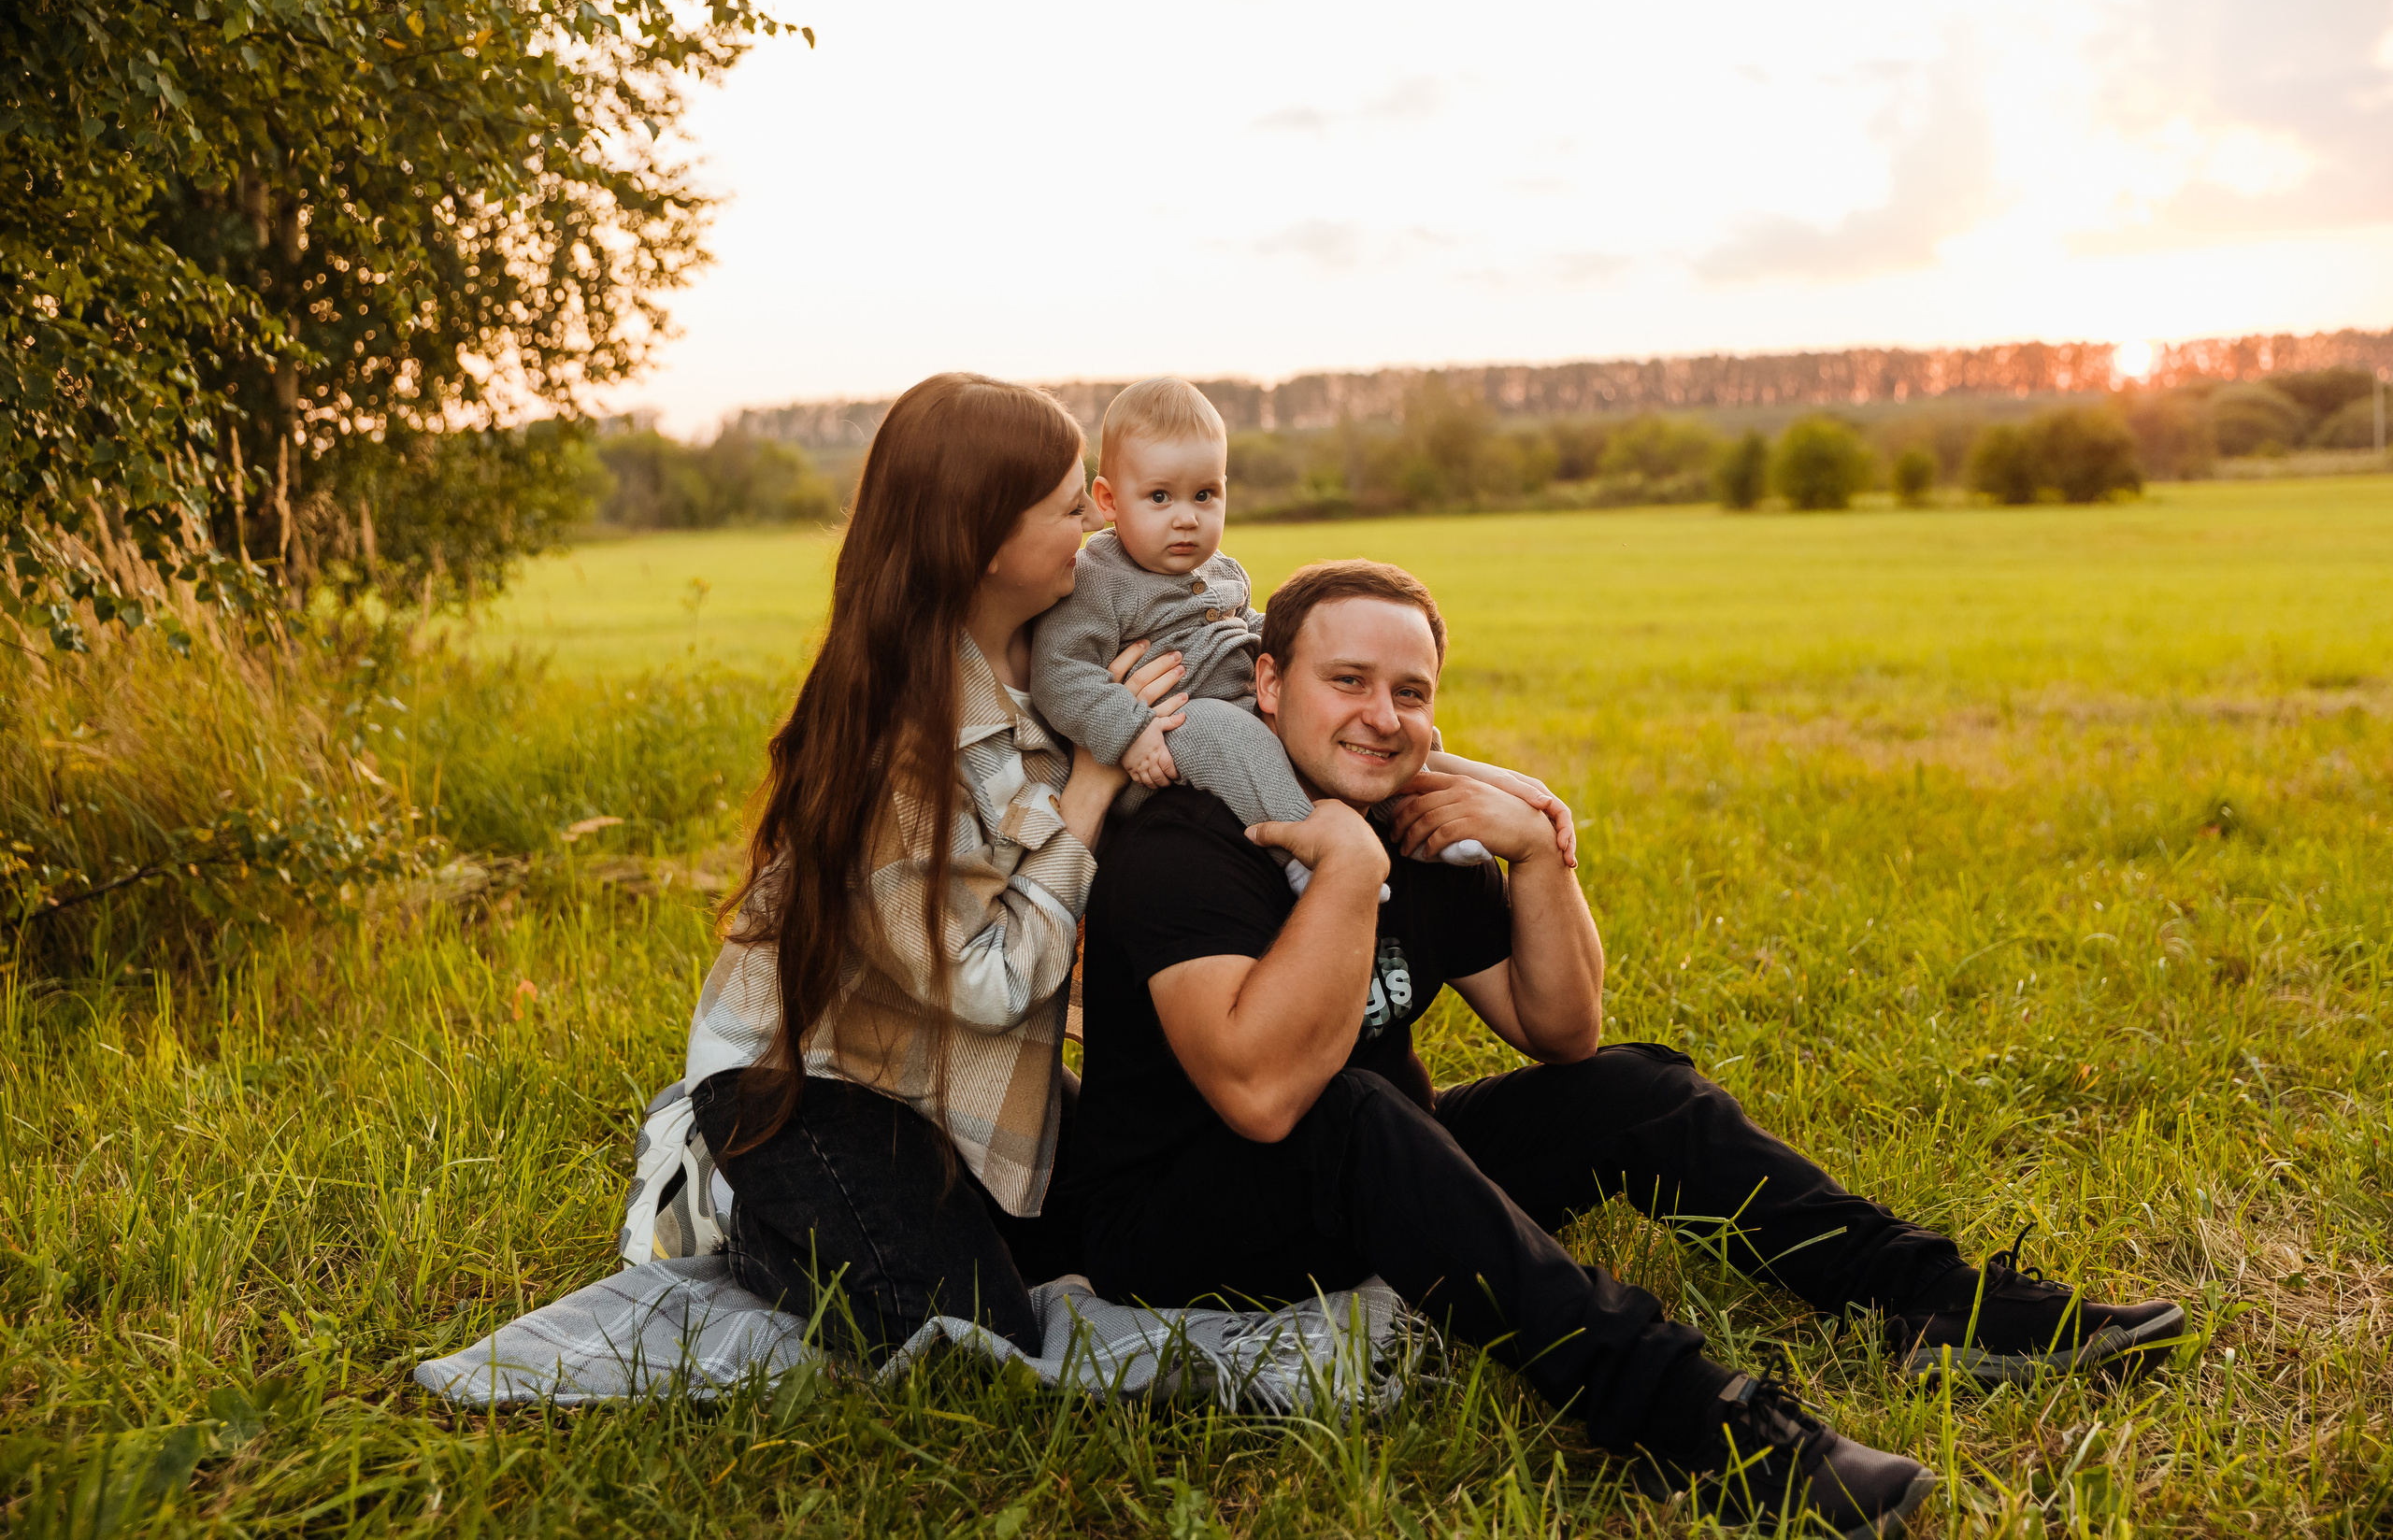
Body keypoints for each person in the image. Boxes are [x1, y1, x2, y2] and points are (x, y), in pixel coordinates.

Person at [1068, 558, 2186, 1537]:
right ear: (1267, 685)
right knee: (1356, 1116)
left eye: (1411, 692)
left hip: (1378, 1176)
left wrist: (1541, 856)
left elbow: (1560, 1030)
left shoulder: (1410, 818)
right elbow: (1261, 1098)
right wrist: (1349, 873)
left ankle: (1938, 1302)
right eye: (1346, 681)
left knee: (1633, 1088)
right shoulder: (1187, 843)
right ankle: (1702, 1425)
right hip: (1177, 1225)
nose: (1382, 717)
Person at [681, 372, 1188, 1357]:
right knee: (975, 1338)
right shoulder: (900, 744)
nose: (1094, 518)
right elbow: (991, 982)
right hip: (809, 1087)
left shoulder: (1064, 651)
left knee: (1136, 1246)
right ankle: (755, 1222)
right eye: (1066, 503)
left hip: (954, 1076)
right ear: (984, 541)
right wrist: (1091, 779)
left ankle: (899, 1210)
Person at [1029, 378, 1570, 891]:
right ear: (1107, 499)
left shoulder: (1220, 569)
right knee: (1232, 733)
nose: (1187, 519)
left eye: (1204, 495)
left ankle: (1423, 822)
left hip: (1239, 706)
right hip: (1167, 734)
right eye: (1160, 498)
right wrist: (1129, 731)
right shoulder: (1096, 581)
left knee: (1367, 728)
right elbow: (1059, 673)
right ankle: (1305, 852)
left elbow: (1255, 628)